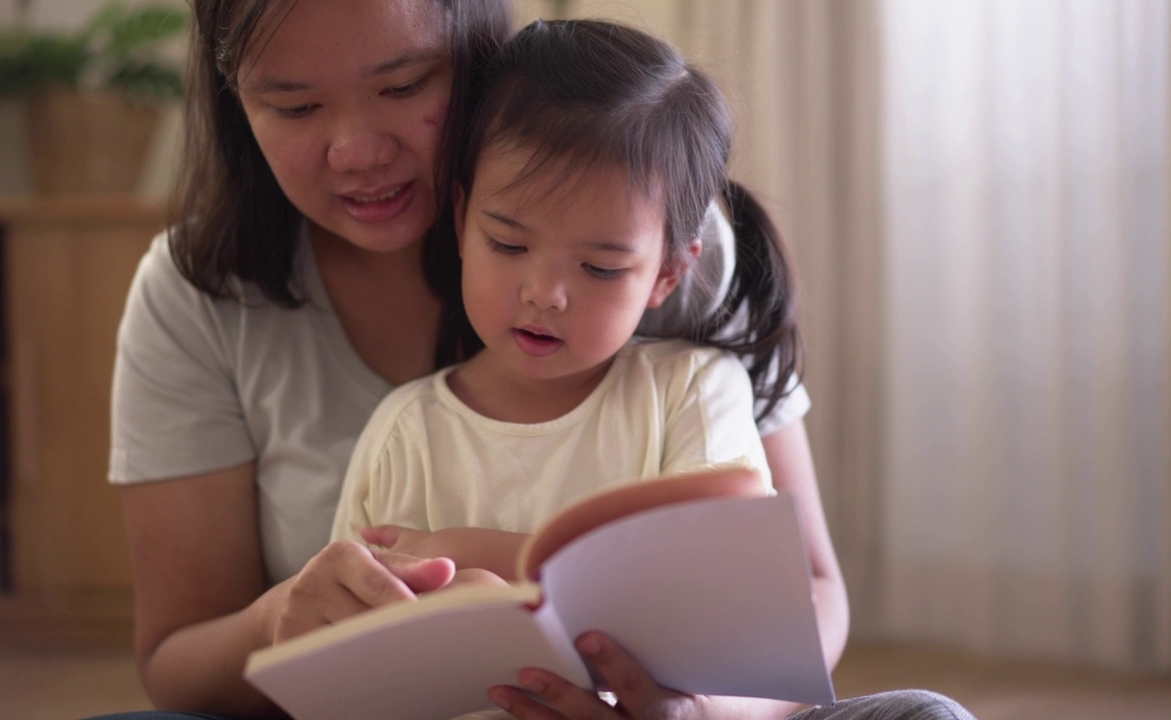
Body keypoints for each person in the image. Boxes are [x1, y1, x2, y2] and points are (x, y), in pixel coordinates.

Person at [93, 1, 978, 719]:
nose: (356, 149)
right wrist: (282, 620)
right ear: (234, 103)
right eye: (292, 105)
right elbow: (180, 668)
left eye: (402, 84)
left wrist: (704, 710)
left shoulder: (657, 234)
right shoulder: (211, 307)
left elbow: (802, 593)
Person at [328, 20, 776, 592]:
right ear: (463, 222)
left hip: (661, 688)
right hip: (449, 686)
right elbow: (339, 631)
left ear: (667, 272)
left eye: (600, 268)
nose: (544, 293)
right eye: (509, 245)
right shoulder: (405, 434)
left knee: (913, 692)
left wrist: (472, 552)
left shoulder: (692, 391)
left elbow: (726, 576)